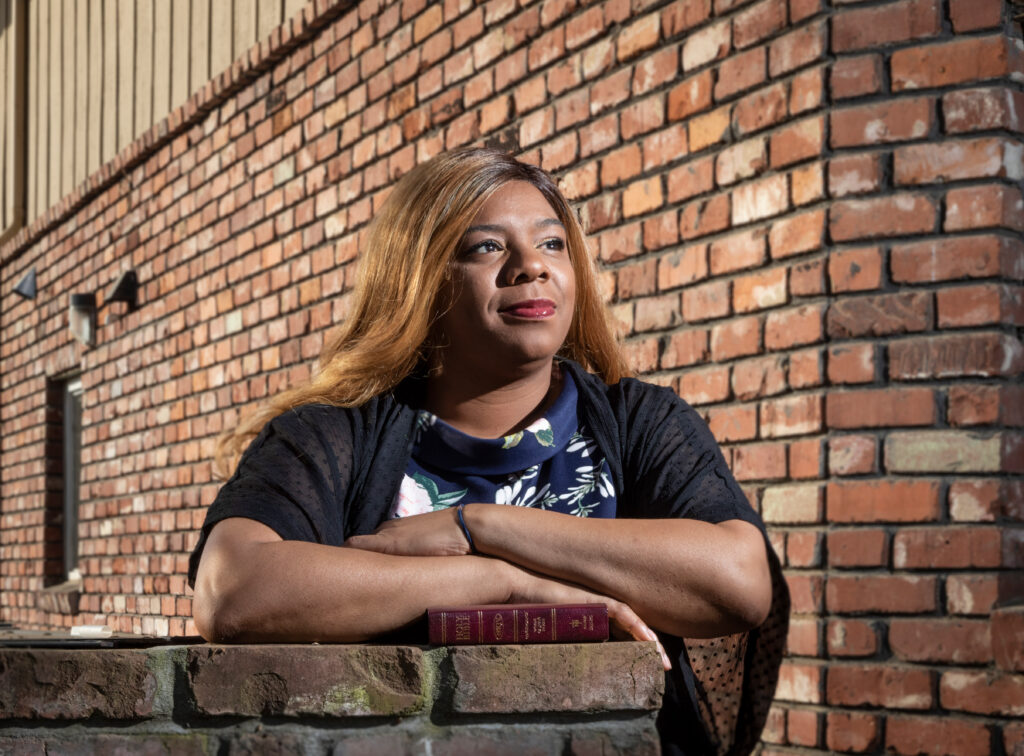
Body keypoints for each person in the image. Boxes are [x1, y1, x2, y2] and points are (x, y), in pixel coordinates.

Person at [188, 148, 774, 755]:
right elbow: (232, 592)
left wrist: (482, 524)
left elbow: (737, 583)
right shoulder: (335, 435)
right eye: (486, 247)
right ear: (420, 279)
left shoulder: (641, 422)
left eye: (551, 244)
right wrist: (502, 584)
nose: (531, 267)